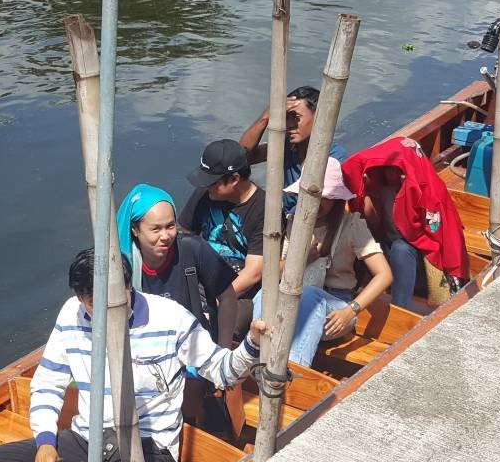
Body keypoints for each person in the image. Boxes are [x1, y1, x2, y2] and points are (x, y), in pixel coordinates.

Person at [0, 249, 265, 462]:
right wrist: (44, 442)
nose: (104, 311)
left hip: (149, 447)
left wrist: (251, 344)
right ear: (81, 299)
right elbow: (47, 383)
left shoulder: (170, 317)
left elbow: (223, 371)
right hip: (88, 440)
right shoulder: (71, 315)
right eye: (93, 304)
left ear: (129, 287)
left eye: (113, 300)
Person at [253, 158, 392, 367]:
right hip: (295, 298)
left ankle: (293, 369)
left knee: (311, 297)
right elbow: (274, 274)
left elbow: (384, 275)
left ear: (336, 199)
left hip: (335, 310)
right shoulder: (293, 223)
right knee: (263, 295)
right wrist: (303, 259)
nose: (316, 203)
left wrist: (350, 311)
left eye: (324, 198)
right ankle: (258, 356)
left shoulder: (351, 224)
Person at [342, 137, 470, 308]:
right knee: (361, 240)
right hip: (388, 258)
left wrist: (407, 198)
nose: (391, 173)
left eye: (395, 169)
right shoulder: (381, 189)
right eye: (388, 169)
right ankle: (346, 294)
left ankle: (399, 307)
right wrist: (368, 194)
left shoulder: (426, 191)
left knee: (400, 248)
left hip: (419, 263)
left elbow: (437, 240)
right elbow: (373, 228)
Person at [120, 183, 238, 348]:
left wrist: (222, 351)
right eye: (155, 229)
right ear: (135, 229)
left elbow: (228, 297)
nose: (165, 236)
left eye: (170, 226)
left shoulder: (192, 248)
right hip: (144, 350)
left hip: (193, 348)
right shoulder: (122, 265)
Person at [180, 139, 266, 306]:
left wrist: (214, 302)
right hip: (201, 280)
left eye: (211, 182)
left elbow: (253, 273)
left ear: (234, 179)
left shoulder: (263, 209)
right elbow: (184, 238)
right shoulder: (206, 192)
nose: (206, 187)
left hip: (238, 293)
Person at [239, 85, 348, 216]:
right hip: (288, 217)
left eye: (296, 118)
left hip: (311, 223)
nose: (289, 124)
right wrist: (265, 117)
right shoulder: (288, 147)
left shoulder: (333, 158)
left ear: (319, 118)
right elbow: (242, 157)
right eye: (286, 117)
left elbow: (320, 209)